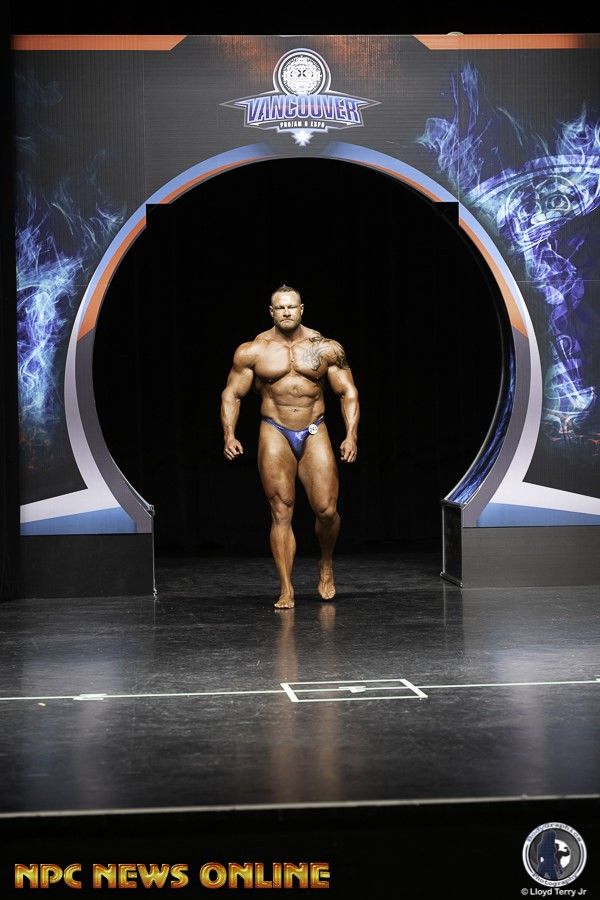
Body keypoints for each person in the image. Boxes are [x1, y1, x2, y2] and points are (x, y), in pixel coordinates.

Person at [220, 284, 360, 608]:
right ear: (271, 312)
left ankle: (326, 562)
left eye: (291, 307)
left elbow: (348, 392)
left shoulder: (325, 348)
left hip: (314, 429)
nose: (286, 312)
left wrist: (351, 435)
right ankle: (286, 588)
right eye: (280, 307)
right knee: (281, 511)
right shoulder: (253, 351)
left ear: (301, 310)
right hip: (274, 430)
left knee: (326, 510)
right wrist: (229, 434)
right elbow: (232, 394)